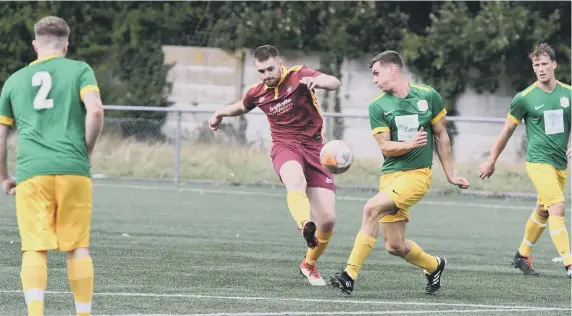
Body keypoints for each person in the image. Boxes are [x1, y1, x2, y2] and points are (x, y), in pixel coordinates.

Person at [329, 50, 469, 295]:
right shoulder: (378, 106)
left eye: (376, 73)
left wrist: (450, 174)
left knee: (370, 209)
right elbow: (385, 147)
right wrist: (409, 144)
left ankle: (349, 275)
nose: (374, 80)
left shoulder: (428, 96)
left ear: (392, 69)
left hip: (417, 176)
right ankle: (434, 266)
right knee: (395, 246)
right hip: (390, 178)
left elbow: (441, 135)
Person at [208, 45, 340, 286]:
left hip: (315, 149)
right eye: (261, 71)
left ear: (280, 64)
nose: (267, 74)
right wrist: (219, 113)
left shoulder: (299, 75)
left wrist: (319, 83)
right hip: (285, 147)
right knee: (295, 181)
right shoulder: (257, 92)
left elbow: (333, 81)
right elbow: (240, 106)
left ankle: (308, 264)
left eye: (270, 68)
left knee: (329, 221)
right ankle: (304, 225)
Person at [0, 16, 104, 316]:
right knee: (77, 247)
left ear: (35, 44)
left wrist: (5, 176)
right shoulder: (79, 69)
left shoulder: (14, 80)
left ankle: (36, 313)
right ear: (66, 44)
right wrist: (84, 152)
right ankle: (83, 313)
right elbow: (95, 110)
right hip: (74, 169)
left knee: (34, 247)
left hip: (32, 173)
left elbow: (2, 134)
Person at [479, 43, 572, 278]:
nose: (541, 69)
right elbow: (507, 131)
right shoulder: (525, 98)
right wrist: (492, 160)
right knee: (557, 206)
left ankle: (522, 255)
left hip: (560, 163)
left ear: (554, 65)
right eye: (536, 65)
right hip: (538, 161)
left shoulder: (568, 94)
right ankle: (570, 264)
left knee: (543, 210)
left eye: (544, 64)